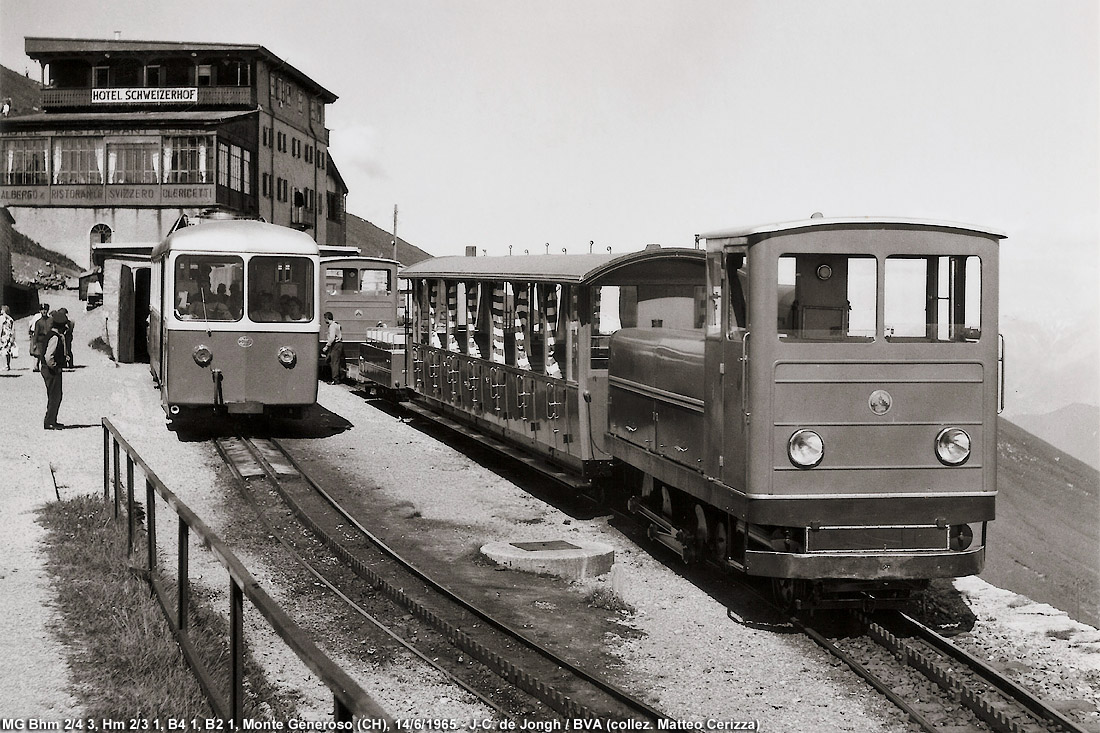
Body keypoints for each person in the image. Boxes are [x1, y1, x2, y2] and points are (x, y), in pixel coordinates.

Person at [41, 310, 70, 429]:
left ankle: (52, 420)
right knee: (55, 395)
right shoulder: (55, 337)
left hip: (48, 369)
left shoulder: (52, 334)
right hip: (51, 370)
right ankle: (49, 422)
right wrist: (55, 367)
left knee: (55, 395)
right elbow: (49, 356)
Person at [321, 311, 344, 384]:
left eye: (325, 319)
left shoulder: (332, 326)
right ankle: (338, 376)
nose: (324, 321)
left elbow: (332, 338)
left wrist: (326, 346)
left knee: (334, 362)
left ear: (327, 318)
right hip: (338, 344)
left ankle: (335, 380)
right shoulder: (336, 324)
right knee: (330, 360)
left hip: (335, 345)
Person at [29, 303, 50, 373]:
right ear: (40, 311)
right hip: (40, 339)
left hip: (48, 339)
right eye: (42, 310)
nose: (44, 311)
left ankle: (46, 366)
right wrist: (34, 343)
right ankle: (36, 366)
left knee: (47, 353)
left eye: (45, 310)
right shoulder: (38, 322)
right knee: (39, 354)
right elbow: (36, 333)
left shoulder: (51, 320)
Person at [0, 305, 15, 370]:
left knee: (3, 351)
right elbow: (13, 328)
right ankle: (8, 365)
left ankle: (5, 365)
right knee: (8, 350)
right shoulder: (10, 319)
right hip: (9, 335)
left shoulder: (1, 318)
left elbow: (0, 327)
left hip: (3, 335)